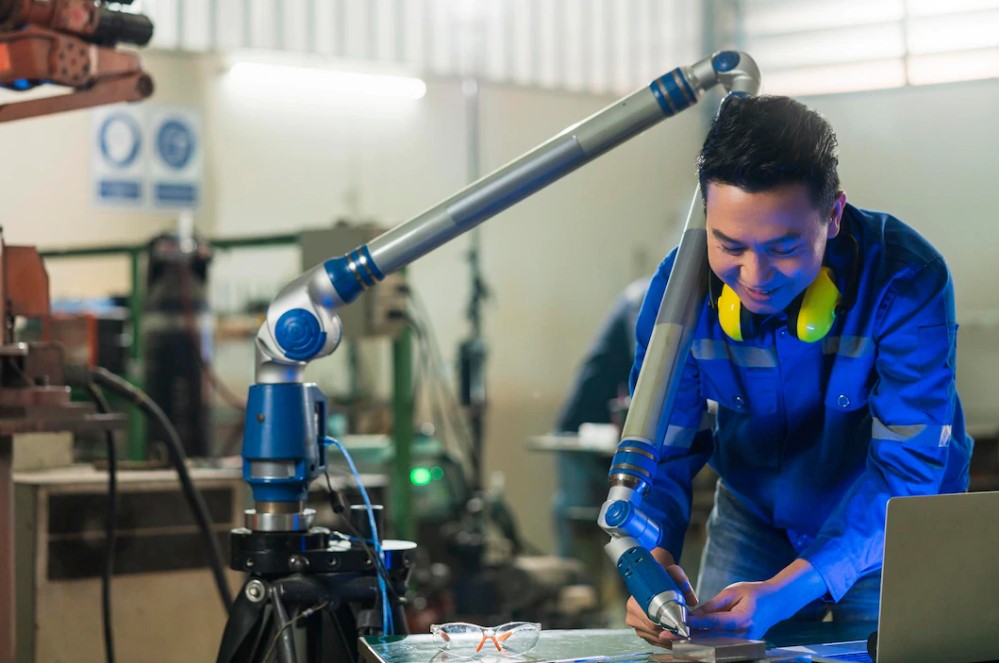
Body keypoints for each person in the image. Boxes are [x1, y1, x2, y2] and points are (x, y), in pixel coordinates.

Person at [625, 95, 972, 644]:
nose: (754, 275)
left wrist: (790, 589)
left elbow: (908, 473)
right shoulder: (678, 296)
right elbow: (659, 449)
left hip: (890, 524)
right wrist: (652, 560)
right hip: (755, 515)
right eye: (730, 245)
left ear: (832, 215)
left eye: (784, 247)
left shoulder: (907, 280)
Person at [552, 277, 649, 558]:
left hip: (610, 434)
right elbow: (647, 362)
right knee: (581, 522)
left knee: (624, 527)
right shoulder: (642, 299)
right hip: (580, 432)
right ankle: (578, 593)